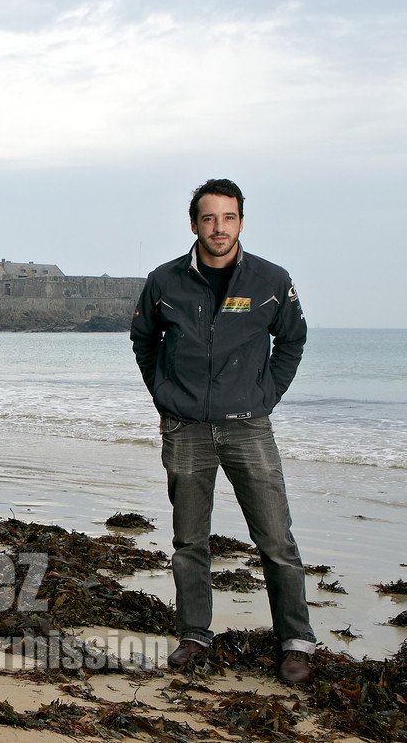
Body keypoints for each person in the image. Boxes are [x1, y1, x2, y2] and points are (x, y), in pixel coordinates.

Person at [129, 178, 315, 683]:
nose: (218, 228)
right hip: (185, 428)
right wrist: (164, 394)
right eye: (209, 218)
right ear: (194, 224)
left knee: (276, 538)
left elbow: (293, 341)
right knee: (190, 539)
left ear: (240, 222)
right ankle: (194, 634)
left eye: (228, 218)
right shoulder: (164, 281)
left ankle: (295, 642)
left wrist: (264, 396)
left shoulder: (271, 281)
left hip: (249, 428)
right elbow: (143, 340)